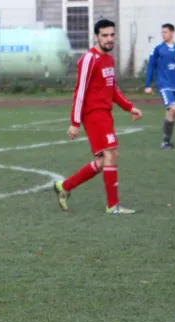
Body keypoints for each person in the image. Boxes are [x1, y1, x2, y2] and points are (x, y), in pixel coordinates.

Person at [53, 19, 143, 215]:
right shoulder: (89, 59)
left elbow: (112, 89)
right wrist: (75, 122)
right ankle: (113, 206)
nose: (109, 39)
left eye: (112, 35)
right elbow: (80, 91)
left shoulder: (109, 60)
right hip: (93, 114)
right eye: (105, 35)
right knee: (112, 153)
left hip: (105, 113)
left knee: (105, 161)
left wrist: (129, 107)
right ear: (96, 37)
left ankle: (64, 187)